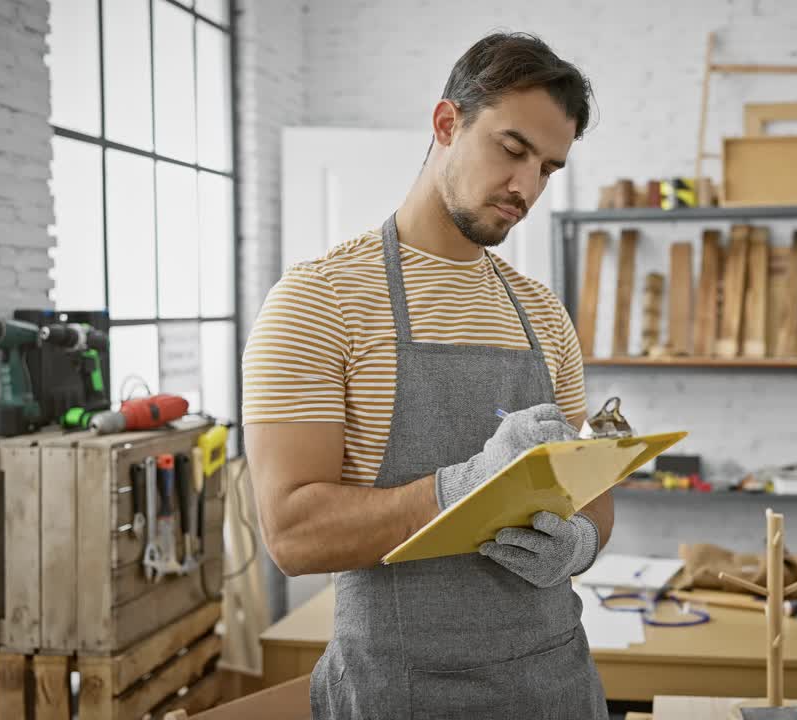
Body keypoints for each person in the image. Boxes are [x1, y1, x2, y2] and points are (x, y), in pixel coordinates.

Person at [242, 32, 611, 719]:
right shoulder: (320, 301)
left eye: (548, 168)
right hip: (399, 695)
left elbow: (592, 494)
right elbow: (291, 533)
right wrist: (465, 490)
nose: (526, 186)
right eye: (512, 149)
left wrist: (579, 542)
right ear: (447, 124)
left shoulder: (542, 313)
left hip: (556, 688)